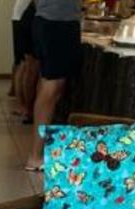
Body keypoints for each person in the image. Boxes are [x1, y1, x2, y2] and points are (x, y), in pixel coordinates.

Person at [24, 0, 81, 171]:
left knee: (50, 86)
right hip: (56, 22)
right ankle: (35, 156)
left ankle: (38, 152)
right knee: (51, 87)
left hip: (53, 21)